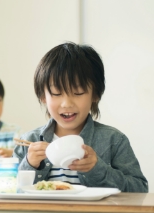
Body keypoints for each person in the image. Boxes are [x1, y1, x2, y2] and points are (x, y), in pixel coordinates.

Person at [14, 42, 148, 193]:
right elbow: (9, 190)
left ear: (95, 94)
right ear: (43, 96)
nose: (66, 103)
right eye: (57, 93)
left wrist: (97, 169)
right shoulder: (29, 141)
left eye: (78, 93)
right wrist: (30, 165)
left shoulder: (114, 140)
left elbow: (139, 191)